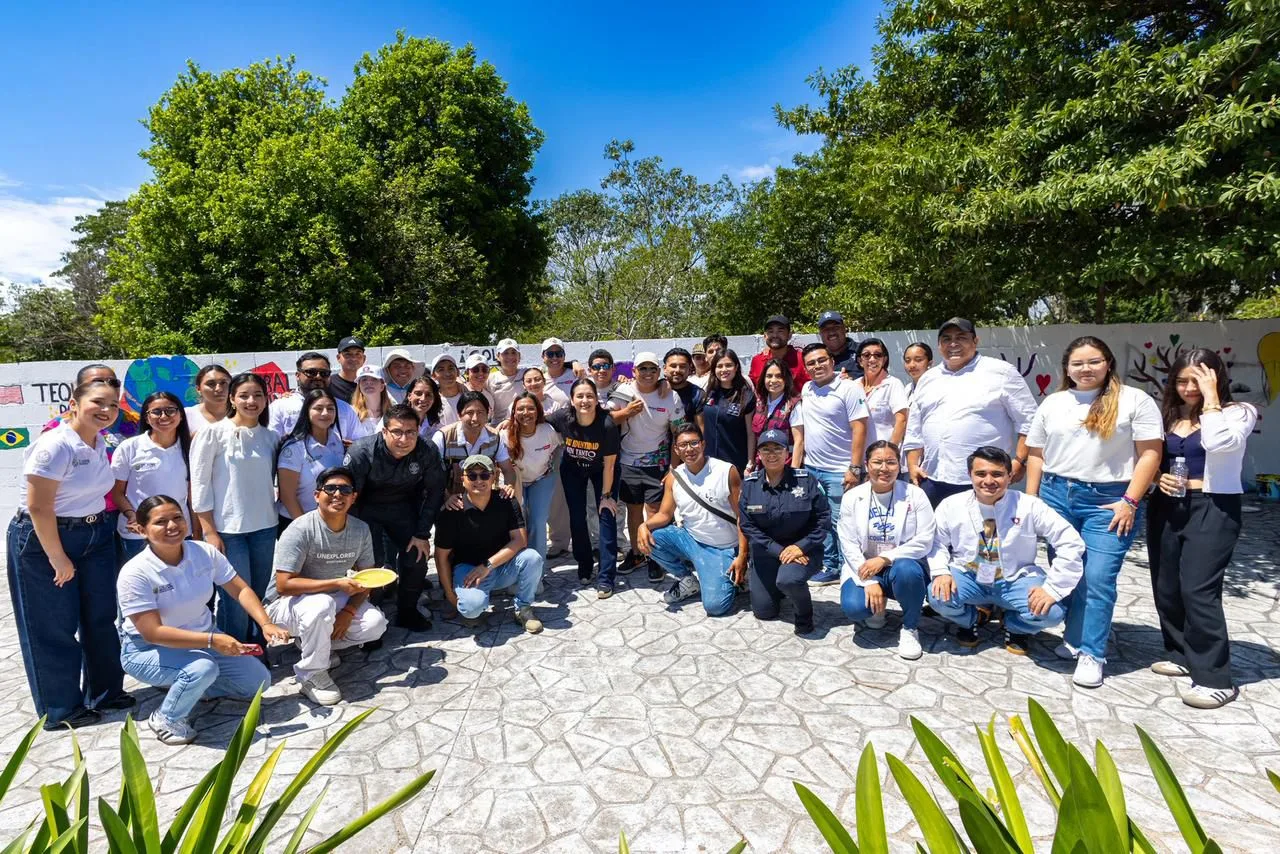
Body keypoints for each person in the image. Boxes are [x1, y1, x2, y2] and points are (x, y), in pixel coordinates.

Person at [1024, 336, 1163, 688]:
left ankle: (1092, 653)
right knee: (1069, 571)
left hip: (1111, 500)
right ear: (1066, 368)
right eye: (1078, 363)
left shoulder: (1134, 400)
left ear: (1109, 363)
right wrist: (1031, 500)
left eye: (1094, 361)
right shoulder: (1053, 403)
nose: (1085, 369)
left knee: (1099, 577)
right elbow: (1036, 454)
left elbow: (1150, 454)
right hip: (1057, 495)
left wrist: (1131, 500)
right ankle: (1073, 638)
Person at [8, 378, 134, 730]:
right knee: (52, 627)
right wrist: (58, 558)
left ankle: (105, 692)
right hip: (45, 540)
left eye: (112, 404)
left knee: (100, 618)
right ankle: (61, 709)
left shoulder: (97, 442)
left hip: (94, 535)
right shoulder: (55, 445)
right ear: (74, 403)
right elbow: (38, 507)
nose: (106, 410)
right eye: (98, 402)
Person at [117, 496, 284, 744]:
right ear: (141, 530)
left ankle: (187, 685)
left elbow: (240, 589)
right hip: (147, 650)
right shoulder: (135, 573)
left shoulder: (203, 552)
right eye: (161, 522)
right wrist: (212, 640)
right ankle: (166, 717)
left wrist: (266, 623)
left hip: (203, 640)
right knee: (202, 669)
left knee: (258, 682)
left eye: (177, 517)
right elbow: (153, 633)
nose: (172, 526)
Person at [1147, 348, 1258, 709]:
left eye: (1198, 380)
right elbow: (1147, 456)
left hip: (1212, 506)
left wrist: (1212, 399)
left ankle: (1215, 678)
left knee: (1198, 589)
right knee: (1167, 585)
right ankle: (1181, 653)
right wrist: (1157, 479)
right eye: (1182, 381)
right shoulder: (1167, 415)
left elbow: (1218, 443)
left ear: (1215, 378)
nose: (1188, 388)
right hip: (1167, 505)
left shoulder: (1237, 413)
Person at [927, 446, 1085, 655]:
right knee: (938, 596)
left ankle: (1014, 625)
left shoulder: (1029, 506)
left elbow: (1070, 541)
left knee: (1052, 613)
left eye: (997, 474)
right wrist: (941, 572)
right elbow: (936, 541)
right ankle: (971, 620)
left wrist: (1053, 588)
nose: (989, 481)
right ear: (970, 475)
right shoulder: (951, 505)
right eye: (981, 474)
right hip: (969, 574)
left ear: (1010, 476)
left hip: (1015, 579)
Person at [267, 467, 388, 707]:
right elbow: (283, 585)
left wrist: (349, 612)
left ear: (354, 497)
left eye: (345, 490)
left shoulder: (360, 529)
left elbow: (366, 578)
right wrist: (335, 583)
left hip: (331, 600)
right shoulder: (300, 528)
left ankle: (313, 645)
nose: (337, 495)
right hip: (283, 607)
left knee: (375, 624)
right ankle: (311, 674)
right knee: (322, 604)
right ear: (316, 495)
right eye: (330, 489)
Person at [904, 318, 1039, 507]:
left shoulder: (1001, 372)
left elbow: (1030, 422)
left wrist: (1019, 461)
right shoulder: (928, 379)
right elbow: (915, 429)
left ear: (975, 341)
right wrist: (912, 465)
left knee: (985, 536)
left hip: (984, 483)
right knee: (934, 536)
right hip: (932, 479)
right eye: (946, 339)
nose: (953, 344)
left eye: (961, 337)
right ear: (939, 345)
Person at [190, 372, 279, 641]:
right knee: (235, 598)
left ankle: (256, 644)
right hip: (228, 530)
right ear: (232, 398)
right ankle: (235, 651)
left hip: (265, 527)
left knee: (260, 592)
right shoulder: (212, 434)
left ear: (266, 400)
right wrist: (210, 532)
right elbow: (200, 484)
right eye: (244, 395)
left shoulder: (270, 437)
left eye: (258, 395)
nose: (251, 401)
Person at [343, 403, 447, 631]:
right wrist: (353, 538)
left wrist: (422, 534)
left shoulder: (427, 450)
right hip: (365, 510)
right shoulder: (362, 452)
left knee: (417, 557)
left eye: (411, 432)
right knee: (373, 565)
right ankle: (371, 618)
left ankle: (407, 611)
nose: (404, 439)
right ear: (384, 432)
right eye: (397, 432)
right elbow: (349, 499)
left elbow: (436, 491)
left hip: (403, 507)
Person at [637, 424, 748, 616]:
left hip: (723, 546)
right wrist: (644, 525)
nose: (689, 449)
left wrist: (742, 556)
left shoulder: (726, 471)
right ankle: (687, 579)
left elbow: (743, 517)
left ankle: (733, 577)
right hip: (692, 540)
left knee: (715, 607)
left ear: (703, 445)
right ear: (676, 450)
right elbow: (665, 514)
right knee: (651, 537)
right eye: (683, 445)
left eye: (694, 443)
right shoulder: (675, 477)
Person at [838, 441, 934, 659]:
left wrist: (884, 558)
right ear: (866, 464)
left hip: (901, 565)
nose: (884, 468)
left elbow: (925, 539)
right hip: (864, 566)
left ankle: (910, 628)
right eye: (877, 462)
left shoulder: (915, 495)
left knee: (907, 570)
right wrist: (869, 581)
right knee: (855, 608)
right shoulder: (852, 497)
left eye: (891, 462)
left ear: (899, 465)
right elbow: (848, 542)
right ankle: (877, 608)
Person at [435, 455, 546, 633]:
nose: (479, 480)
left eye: (485, 475)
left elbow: (520, 540)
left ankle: (523, 608)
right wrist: (449, 595)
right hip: (468, 571)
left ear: (494, 477)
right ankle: (477, 600)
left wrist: (487, 565)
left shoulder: (507, 500)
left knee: (532, 558)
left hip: (501, 567)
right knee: (471, 611)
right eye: (472, 476)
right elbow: (441, 557)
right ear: (462, 479)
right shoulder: (452, 511)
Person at [738, 429, 829, 634]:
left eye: (777, 449)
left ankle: (804, 615)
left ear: (787, 453)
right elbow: (747, 525)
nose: (772, 454)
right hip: (767, 552)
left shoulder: (806, 480)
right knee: (764, 612)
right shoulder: (751, 485)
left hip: (802, 551)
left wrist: (801, 547)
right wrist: (779, 551)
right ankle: (778, 588)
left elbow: (823, 519)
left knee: (789, 579)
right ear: (759, 455)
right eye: (766, 450)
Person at [798, 342, 870, 587]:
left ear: (832, 361)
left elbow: (859, 428)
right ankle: (831, 565)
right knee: (821, 520)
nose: (817, 366)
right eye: (811, 363)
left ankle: (850, 566)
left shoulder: (850, 388)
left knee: (843, 522)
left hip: (840, 470)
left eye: (821, 360)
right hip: (812, 468)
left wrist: (855, 468)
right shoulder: (807, 389)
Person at [614, 351, 687, 582]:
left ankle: (655, 557)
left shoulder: (670, 396)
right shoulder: (624, 391)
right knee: (634, 511)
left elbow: (678, 433)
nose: (647, 373)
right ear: (633, 371)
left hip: (659, 463)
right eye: (642, 369)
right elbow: (606, 419)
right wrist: (626, 412)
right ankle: (637, 554)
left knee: (655, 512)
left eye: (652, 369)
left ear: (659, 372)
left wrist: (673, 470)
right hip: (628, 462)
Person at [549, 378, 621, 594]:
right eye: (579, 396)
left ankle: (606, 576)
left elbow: (609, 465)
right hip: (573, 469)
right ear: (571, 400)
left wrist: (607, 496)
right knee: (577, 517)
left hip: (603, 470)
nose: (584, 400)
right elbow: (537, 421)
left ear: (597, 399)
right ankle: (585, 565)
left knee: (606, 516)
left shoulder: (607, 424)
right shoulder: (563, 417)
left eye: (589, 396)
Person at [111, 391, 194, 562]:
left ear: (181, 416)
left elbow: (193, 496)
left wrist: (198, 532)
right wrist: (132, 515)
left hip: (177, 530)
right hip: (138, 534)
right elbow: (117, 492)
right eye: (156, 412)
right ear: (147, 418)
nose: (164, 416)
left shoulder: (190, 448)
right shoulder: (130, 447)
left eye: (170, 410)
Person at [501, 392, 563, 560]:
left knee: (537, 522)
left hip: (542, 479)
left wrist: (553, 466)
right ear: (513, 412)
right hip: (517, 481)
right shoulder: (505, 435)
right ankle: (519, 563)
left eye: (530, 408)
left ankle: (538, 571)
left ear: (538, 412)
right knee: (518, 523)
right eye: (520, 409)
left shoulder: (547, 430)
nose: (525, 413)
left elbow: (560, 447)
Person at [276, 389, 347, 531]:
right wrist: (307, 528)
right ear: (307, 412)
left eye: (330, 409)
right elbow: (287, 496)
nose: (325, 413)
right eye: (318, 408)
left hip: (329, 521)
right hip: (297, 523)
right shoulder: (294, 448)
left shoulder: (337, 440)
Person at [434, 391, 518, 495]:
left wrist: (509, 487)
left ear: (488, 414)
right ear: (459, 414)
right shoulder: (442, 437)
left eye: (480, 412)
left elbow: (508, 470)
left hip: (483, 497)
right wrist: (446, 497)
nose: (475, 418)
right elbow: (433, 475)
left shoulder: (495, 437)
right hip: (452, 499)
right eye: (469, 413)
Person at [267, 352, 361, 439]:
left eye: (324, 373)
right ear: (297, 375)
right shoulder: (280, 407)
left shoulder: (344, 408)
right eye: (311, 372)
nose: (318, 377)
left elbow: (359, 441)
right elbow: (270, 443)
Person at [699, 349, 756, 472]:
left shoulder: (746, 396)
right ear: (714, 369)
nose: (724, 370)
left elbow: (751, 433)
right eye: (719, 366)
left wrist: (750, 462)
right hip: (709, 462)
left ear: (736, 367)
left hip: (735, 462)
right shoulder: (709, 392)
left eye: (728, 365)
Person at [750, 358, 805, 471]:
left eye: (779, 376)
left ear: (786, 379)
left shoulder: (793, 404)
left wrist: (793, 472)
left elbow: (799, 440)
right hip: (761, 465)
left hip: (785, 465)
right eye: (769, 376)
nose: (773, 380)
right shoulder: (759, 401)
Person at [856, 339, 909, 448]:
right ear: (860, 361)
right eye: (866, 355)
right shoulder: (853, 386)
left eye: (878, 355)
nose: (872, 359)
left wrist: (890, 450)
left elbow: (902, 420)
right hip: (858, 456)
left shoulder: (893, 384)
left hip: (883, 457)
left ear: (884, 360)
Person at [748, 315, 809, 387]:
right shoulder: (757, 360)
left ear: (789, 335)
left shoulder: (802, 359)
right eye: (770, 331)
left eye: (780, 331)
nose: (775, 335)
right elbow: (751, 388)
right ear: (765, 336)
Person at [487, 338, 527, 426]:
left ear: (519, 356)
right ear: (497, 356)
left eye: (513, 352)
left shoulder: (527, 373)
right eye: (505, 353)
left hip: (523, 424)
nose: (510, 357)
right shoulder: (490, 378)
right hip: (499, 426)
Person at [185, 364, 232, 432]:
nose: (219, 389)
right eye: (211, 384)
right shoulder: (187, 415)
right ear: (198, 389)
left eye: (223, 383)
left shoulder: (242, 413)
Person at [817, 310, 863, 379]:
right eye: (826, 329)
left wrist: (855, 382)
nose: (831, 332)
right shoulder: (817, 358)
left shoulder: (863, 351)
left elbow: (878, 380)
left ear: (844, 329)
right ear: (820, 334)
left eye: (836, 327)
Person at [664, 348, 705, 421]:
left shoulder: (697, 395)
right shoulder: (654, 390)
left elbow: (702, 428)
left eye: (682, 366)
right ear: (665, 369)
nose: (677, 370)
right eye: (673, 366)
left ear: (689, 369)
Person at [351, 364, 392, 438]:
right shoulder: (351, 413)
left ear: (382, 386)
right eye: (364, 379)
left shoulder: (393, 412)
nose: (368, 383)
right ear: (359, 386)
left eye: (374, 379)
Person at [404, 375, 445, 440]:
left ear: (434, 399)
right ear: (409, 396)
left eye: (428, 395)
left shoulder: (437, 428)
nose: (423, 399)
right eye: (418, 393)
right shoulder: (394, 419)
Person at [432, 353, 466, 426]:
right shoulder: (430, 401)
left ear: (458, 372)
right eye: (441, 370)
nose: (447, 374)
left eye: (451, 368)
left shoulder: (468, 397)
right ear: (433, 376)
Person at [329, 336, 366, 403]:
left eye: (358, 354)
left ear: (364, 358)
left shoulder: (370, 383)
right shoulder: (329, 383)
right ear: (338, 358)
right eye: (348, 354)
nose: (354, 358)